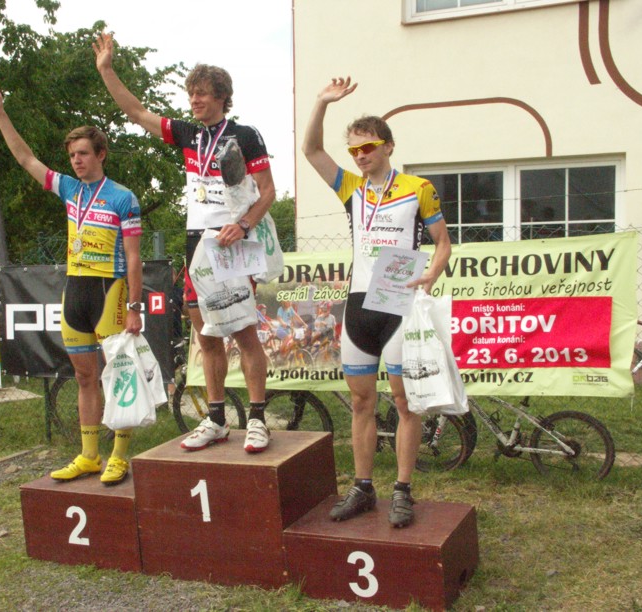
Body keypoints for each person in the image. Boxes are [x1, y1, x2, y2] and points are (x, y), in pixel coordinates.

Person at [94, 32, 275, 453]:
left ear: (222, 97)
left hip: (234, 243)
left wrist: (244, 225)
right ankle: (217, 418)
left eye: (203, 94)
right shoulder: (189, 135)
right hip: (197, 243)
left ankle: (257, 418)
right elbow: (136, 111)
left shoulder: (245, 135)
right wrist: (106, 70)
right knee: (206, 337)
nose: (195, 100)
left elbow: (267, 191)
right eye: (191, 93)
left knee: (244, 335)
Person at [302, 77, 452, 528]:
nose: (360, 155)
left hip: (400, 304)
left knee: (406, 403)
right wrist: (321, 102)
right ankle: (363, 488)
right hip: (360, 306)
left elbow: (443, 242)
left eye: (367, 147)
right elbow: (312, 150)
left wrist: (432, 273)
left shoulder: (418, 187)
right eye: (353, 150)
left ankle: (402, 490)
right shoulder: (351, 187)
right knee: (361, 401)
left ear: (387, 146)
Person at [0, 86, 143, 485]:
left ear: (101, 154)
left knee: (119, 375)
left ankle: (119, 455)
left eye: (83, 153)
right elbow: (25, 158)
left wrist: (134, 306)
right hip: (75, 290)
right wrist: (0, 112)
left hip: (109, 290)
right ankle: (89, 455)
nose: (76, 160)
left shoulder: (123, 198)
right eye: (72, 154)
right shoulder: (70, 189)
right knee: (84, 377)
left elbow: (134, 257)